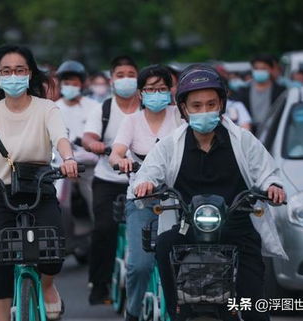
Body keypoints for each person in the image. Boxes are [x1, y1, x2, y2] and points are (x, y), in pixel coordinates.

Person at [133, 64, 287, 321]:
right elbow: (149, 172)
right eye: (196, 105)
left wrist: (273, 187)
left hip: (236, 226)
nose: (204, 111)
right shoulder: (171, 144)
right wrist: (145, 183)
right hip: (188, 227)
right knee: (163, 245)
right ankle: (176, 311)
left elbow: (267, 172)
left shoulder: (243, 140)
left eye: (211, 104)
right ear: (183, 108)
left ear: (222, 104)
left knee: (255, 309)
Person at [0, 44, 78, 321]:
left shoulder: (47, 109)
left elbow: (60, 138)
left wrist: (68, 158)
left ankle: (47, 286)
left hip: (39, 187)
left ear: (30, 73)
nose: (13, 76)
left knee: (53, 251)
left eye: (20, 70)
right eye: (6, 71)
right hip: (0, 193)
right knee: (0, 259)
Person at [108, 64, 182, 321]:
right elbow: (116, 152)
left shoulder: (180, 116)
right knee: (139, 265)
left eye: (162, 88)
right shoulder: (131, 121)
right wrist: (121, 161)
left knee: (183, 262)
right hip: (142, 201)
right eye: (150, 89)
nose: (156, 94)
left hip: (179, 201)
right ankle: (133, 311)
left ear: (171, 91)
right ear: (140, 94)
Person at [82, 55, 141, 305]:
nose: (126, 80)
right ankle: (99, 284)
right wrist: (95, 145)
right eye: (120, 75)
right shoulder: (103, 108)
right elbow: (88, 137)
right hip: (108, 178)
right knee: (104, 229)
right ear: (111, 80)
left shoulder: (149, 106)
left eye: (131, 74)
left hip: (143, 180)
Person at [55, 60, 99, 220]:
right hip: (61, 167)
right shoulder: (54, 108)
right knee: (61, 208)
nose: (70, 86)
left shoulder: (94, 107)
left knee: (95, 206)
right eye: (66, 82)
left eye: (74, 83)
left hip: (90, 166)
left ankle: (94, 240)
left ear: (81, 84)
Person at [235, 54, 285, 132]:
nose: (259, 71)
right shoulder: (243, 91)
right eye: (256, 68)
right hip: (250, 132)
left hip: (273, 131)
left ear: (271, 70)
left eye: (263, 68)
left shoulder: (280, 91)